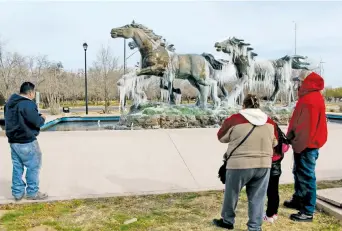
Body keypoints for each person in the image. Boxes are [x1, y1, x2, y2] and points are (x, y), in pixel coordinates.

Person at [213, 94, 278, 231]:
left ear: (243, 105)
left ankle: (228, 221)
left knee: (231, 194)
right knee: (258, 197)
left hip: (238, 164)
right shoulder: (270, 122)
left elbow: (221, 137)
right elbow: (275, 142)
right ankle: (255, 226)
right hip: (263, 164)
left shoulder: (235, 119)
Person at [284, 70, 328, 222]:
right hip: (305, 143)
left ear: (306, 82)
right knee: (299, 173)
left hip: (306, 145)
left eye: (299, 81)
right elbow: (298, 122)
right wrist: (290, 136)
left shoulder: (310, 100)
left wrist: (296, 142)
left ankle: (308, 211)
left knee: (307, 177)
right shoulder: (309, 97)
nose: (297, 84)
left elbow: (305, 128)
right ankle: (298, 200)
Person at [4, 82, 48, 201]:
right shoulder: (27, 104)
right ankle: (32, 192)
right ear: (30, 92)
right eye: (34, 92)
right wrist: (42, 118)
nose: (34, 94)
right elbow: (36, 121)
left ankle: (17, 193)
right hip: (26, 141)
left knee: (17, 167)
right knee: (33, 166)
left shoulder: (9, 103)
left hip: (13, 141)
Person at [263, 123, 290, 223]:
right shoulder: (280, 139)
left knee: (266, 192)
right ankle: (274, 213)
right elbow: (286, 148)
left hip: (267, 168)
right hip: (277, 169)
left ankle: (268, 215)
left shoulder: (268, 139)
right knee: (274, 192)